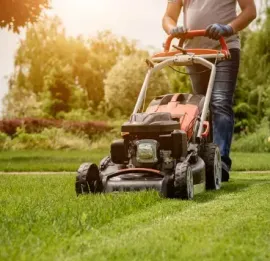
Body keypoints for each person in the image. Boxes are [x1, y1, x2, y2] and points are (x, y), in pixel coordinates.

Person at [162, 0, 257, 181]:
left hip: (224, 47)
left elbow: (250, 11)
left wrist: (228, 28)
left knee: (220, 101)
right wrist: (172, 29)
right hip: (195, 53)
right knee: (202, 108)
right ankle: (205, 161)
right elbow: (168, 17)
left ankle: (221, 162)